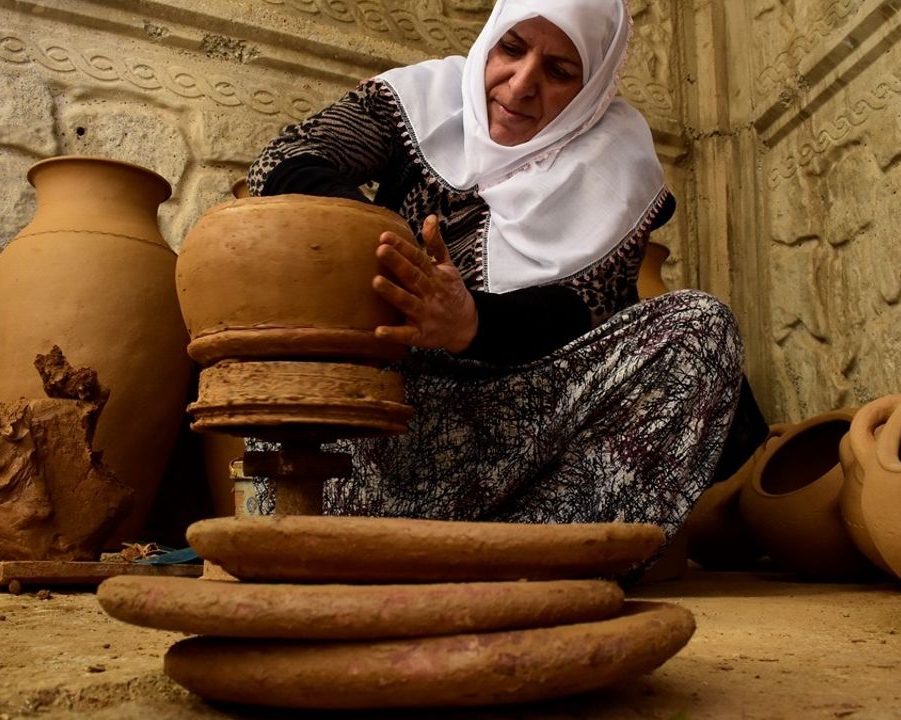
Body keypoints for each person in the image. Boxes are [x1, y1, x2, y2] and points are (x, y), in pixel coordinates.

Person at [246, 0, 746, 567]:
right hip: (384, 427)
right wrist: (394, 253)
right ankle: (381, 547)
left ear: (593, 84)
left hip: (521, 431)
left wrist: (469, 323)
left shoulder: (614, 165)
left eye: (559, 70)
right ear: (491, 40)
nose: (522, 82)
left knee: (701, 327)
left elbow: (584, 311)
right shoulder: (420, 101)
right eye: (512, 48)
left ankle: (531, 561)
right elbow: (286, 160)